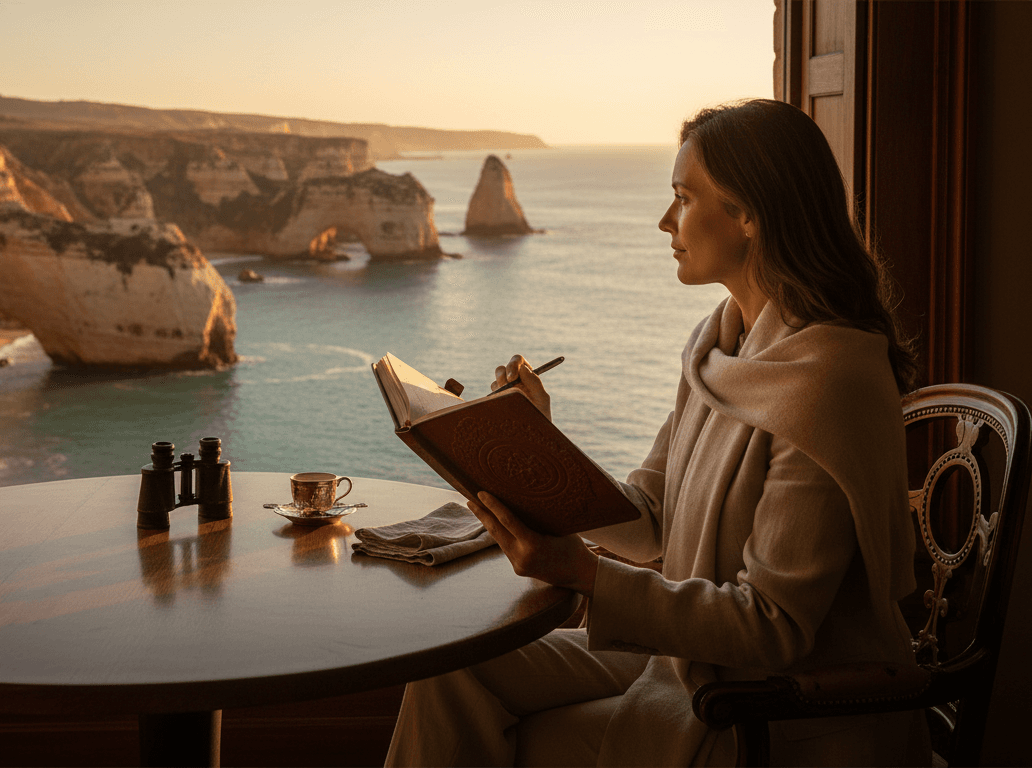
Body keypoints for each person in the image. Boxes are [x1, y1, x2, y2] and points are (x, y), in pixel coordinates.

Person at [384, 98, 930, 767]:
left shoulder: (826, 384)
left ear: (749, 213)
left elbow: (773, 626)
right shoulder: (717, 348)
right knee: (451, 670)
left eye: (682, 197)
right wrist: (533, 442)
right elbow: (647, 518)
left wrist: (585, 573)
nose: (665, 221)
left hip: (780, 710)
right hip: (690, 661)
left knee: (526, 741)